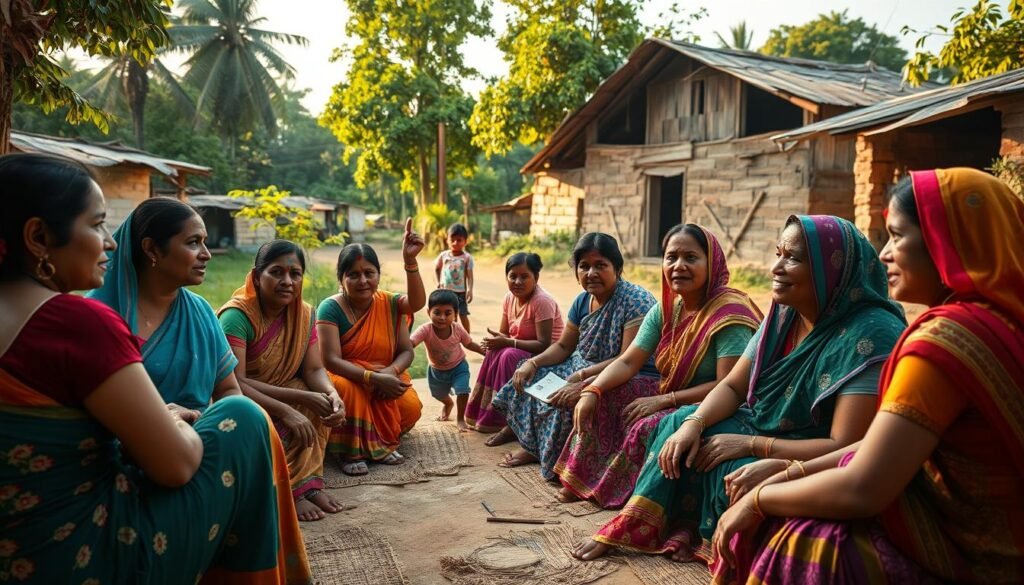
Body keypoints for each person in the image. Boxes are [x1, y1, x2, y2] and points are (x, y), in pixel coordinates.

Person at [0, 153, 311, 584]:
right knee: (243, 419)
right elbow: (176, 465)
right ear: (38, 236)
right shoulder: (79, 324)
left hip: (17, 542)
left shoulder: (199, 313)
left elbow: (228, 388)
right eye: (95, 225)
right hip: (83, 551)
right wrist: (170, 418)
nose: (109, 241)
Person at [710, 169, 1024, 585]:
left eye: (897, 236)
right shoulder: (1004, 322)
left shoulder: (941, 343)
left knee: (807, 540)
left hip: (980, 551)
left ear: (945, 241)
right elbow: (878, 446)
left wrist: (759, 500)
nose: (884, 253)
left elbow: (864, 485)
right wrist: (784, 470)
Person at [574, 215, 906, 563]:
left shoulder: (869, 335)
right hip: (765, 423)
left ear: (833, 269)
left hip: (818, 455)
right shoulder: (784, 315)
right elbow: (734, 385)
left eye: (792, 258)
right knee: (678, 428)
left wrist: (753, 446)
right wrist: (695, 423)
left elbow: (845, 445)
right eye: (778, 253)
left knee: (736, 474)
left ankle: (705, 533)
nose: (776, 267)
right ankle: (651, 523)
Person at [554, 224, 762, 508]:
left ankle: (628, 495)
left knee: (649, 424)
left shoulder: (729, 315)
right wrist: (592, 389)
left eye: (691, 258)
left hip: (717, 405)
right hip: (673, 391)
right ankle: (582, 479)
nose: (679, 266)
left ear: (711, 262)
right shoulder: (668, 308)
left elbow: (729, 386)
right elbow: (629, 361)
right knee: (606, 395)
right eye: (671, 257)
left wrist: (664, 400)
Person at [491, 233, 657, 480]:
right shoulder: (583, 300)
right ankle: (534, 445)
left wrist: (582, 380)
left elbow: (627, 358)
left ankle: (559, 461)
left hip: (628, 373)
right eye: (584, 266)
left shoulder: (636, 301)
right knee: (529, 379)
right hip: (583, 365)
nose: (591, 273)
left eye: (600, 265)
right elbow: (564, 346)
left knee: (564, 400)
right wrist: (532, 363)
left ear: (617, 268)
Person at [218, 240, 347, 522]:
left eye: (295, 273)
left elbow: (314, 370)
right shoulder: (237, 317)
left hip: (282, 391)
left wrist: (331, 393)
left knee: (321, 401)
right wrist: (289, 408)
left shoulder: (303, 313)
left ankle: (308, 484)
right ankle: (289, 491)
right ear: (256, 277)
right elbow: (235, 382)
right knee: (303, 400)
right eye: (276, 272)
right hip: (241, 401)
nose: (287, 281)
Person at [88, 197, 241, 412]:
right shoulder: (97, 317)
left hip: (198, 435)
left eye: (204, 242)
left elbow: (229, 391)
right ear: (152, 249)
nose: (206, 254)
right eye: (193, 242)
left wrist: (196, 417)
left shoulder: (200, 312)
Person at [317, 224, 426, 475]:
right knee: (346, 391)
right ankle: (349, 451)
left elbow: (406, 349)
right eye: (353, 274)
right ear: (341, 279)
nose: (363, 281)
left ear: (378, 274)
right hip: (346, 376)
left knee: (410, 406)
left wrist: (390, 372)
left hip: (384, 373)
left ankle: (377, 441)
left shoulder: (389, 303)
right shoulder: (330, 308)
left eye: (369, 272)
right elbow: (330, 360)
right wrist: (372, 377)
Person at [466, 252, 565, 437]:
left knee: (508, 354)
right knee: (494, 352)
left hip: (549, 356)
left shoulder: (542, 301)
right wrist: (497, 339)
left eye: (524, 276)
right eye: (513, 276)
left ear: (536, 277)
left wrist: (507, 341)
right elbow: (505, 333)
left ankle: (506, 419)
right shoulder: (509, 298)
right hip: (522, 348)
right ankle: (485, 413)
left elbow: (544, 344)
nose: (517, 281)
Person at [410, 289, 485, 431]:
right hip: (436, 371)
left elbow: (469, 344)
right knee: (438, 394)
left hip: (459, 367)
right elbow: (411, 342)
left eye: (447, 313)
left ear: (456, 314)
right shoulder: (426, 329)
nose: (442, 317)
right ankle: (448, 403)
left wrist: (484, 352)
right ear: (428, 312)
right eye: (437, 312)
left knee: (463, 391)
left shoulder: (457, 329)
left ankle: (460, 419)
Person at [434, 222, 474, 333]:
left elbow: (470, 276)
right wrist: (438, 282)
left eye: (459, 240)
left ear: (465, 241)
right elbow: (437, 269)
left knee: (463, 314)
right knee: (451, 315)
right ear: (447, 240)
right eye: (452, 239)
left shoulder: (467, 258)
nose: (455, 243)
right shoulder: (444, 256)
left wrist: (470, 290)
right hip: (446, 292)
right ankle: (453, 336)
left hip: (460, 293)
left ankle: (467, 337)